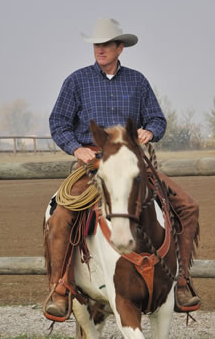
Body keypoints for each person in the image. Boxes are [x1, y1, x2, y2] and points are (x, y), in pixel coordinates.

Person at [45, 18, 200, 318]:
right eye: (96, 44)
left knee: (188, 206)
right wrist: (76, 148)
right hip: (94, 164)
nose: (100, 49)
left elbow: (157, 118)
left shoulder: (138, 81)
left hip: (132, 163)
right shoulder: (76, 81)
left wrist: (149, 132)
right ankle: (60, 287)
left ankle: (181, 282)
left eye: (106, 45)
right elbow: (58, 122)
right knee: (61, 214)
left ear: (120, 48)